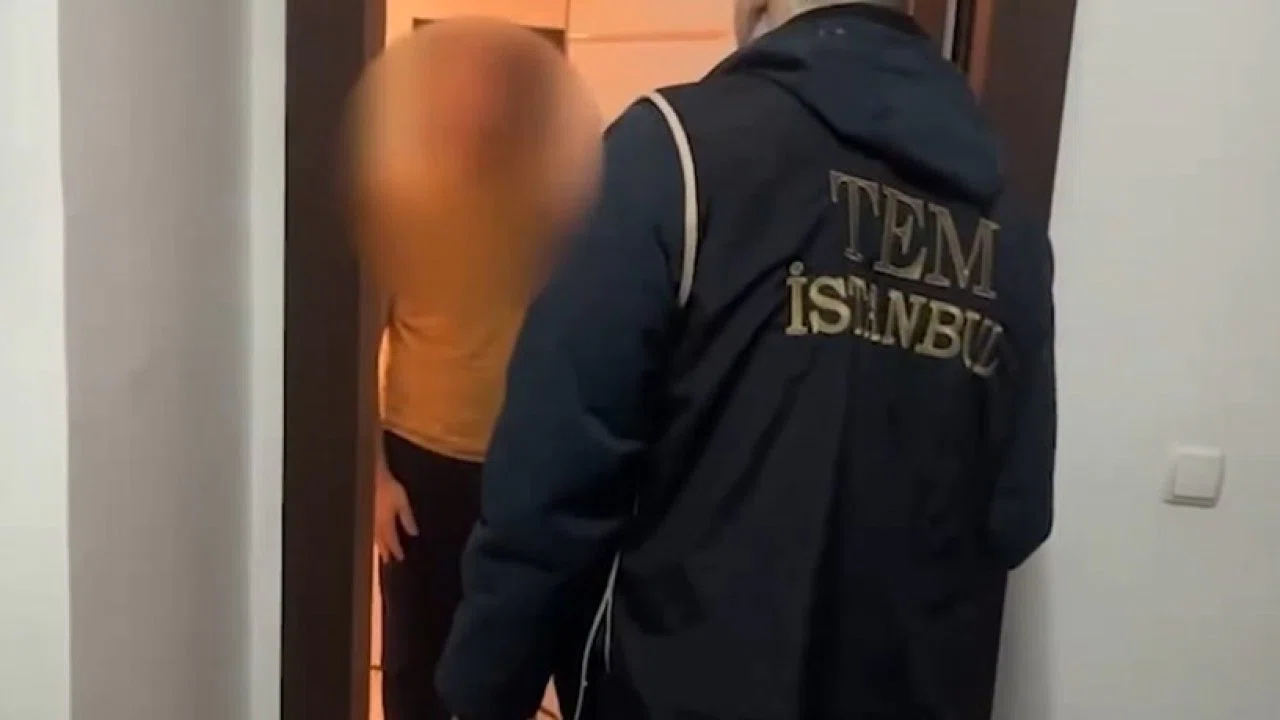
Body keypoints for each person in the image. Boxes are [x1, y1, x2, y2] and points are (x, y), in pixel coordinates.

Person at [437, 1, 1057, 718]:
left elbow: (549, 493)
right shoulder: (1009, 225)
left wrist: (482, 694)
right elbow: (1017, 515)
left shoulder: (671, 155)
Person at [346, 18, 600, 720]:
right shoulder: (401, 206)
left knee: (501, 656)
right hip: (417, 468)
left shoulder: (550, 212)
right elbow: (356, 350)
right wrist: (376, 483)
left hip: (517, 468)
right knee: (412, 663)